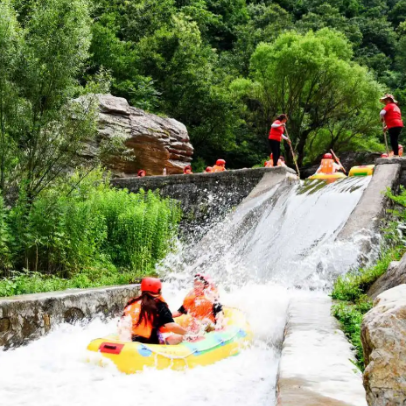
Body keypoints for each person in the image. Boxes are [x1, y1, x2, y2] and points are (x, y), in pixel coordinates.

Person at [121, 277, 187, 345]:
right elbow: (172, 326)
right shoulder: (159, 304)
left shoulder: (132, 303)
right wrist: (188, 334)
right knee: (180, 337)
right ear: (158, 289)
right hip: (150, 343)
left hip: (131, 341)